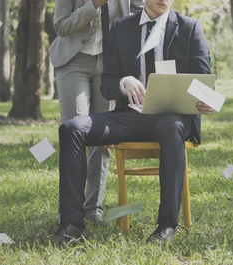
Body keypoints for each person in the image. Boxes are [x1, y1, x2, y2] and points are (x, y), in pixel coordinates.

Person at [52, 0, 214, 244]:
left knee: (172, 126)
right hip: (129, 116)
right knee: (71, 128)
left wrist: (207, 100)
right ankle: (72, 224)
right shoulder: (121, 28)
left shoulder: (190, 27)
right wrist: (123, 82)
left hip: (170, 118)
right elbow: (107, 84)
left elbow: (203, 80)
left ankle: (167, 227)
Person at [49, 0, 144, 223]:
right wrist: (93, 6)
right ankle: (71, 211)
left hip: (109, 66)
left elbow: (142, 15)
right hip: (74, 62)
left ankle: (93, 210)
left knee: (101, 139)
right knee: (75, 131)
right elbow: (61, 26)